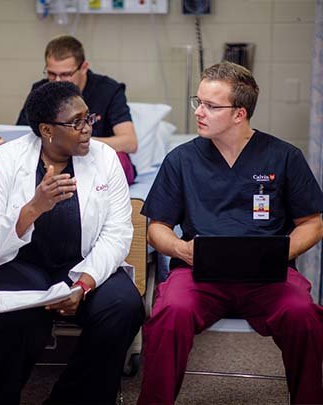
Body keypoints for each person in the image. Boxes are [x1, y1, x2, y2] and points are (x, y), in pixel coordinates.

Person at [137, 61, 323, 404]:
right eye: (198, 102)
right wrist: (181, 250)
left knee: (304, 315)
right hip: (198, 273)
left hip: (268, 276)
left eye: (210, 105)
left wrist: (282, 253)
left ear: (239, 113)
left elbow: (312, 223)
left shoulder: (283, 157)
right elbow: (157, 228)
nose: (199, 112)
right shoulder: (181, 160)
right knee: (169, 314)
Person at [0, 81, 145, 404]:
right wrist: (34, 208)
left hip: (85, 264)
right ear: (47, 129)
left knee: (125, 307)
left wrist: (84, 283)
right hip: (18, 265)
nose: (88, 128)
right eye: (76, 122)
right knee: (19, 313)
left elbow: (117, 233)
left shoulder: (107, 159)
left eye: (88, 118)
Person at [16, 35, 138, 184]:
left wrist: (77, 141)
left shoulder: (108, 91)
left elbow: (130, 142)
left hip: (97, 159)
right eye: (52, 74)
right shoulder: (42, 91)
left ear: (84, 67)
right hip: (54, 162)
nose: (58, 81)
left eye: (66, 74)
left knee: (117, 160)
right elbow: (21, 134)